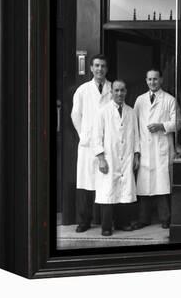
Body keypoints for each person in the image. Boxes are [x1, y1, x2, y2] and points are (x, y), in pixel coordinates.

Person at [92, 80, 140, 236]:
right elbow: (96, 137)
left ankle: (122, 223)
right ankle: (106, 226)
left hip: (126, 157)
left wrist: (136, 155)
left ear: (126, 92)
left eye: (122, 90)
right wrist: (101, 159)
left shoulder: (131, 112)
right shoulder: (102, 112)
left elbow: (136, 136)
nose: (119, 93)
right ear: (111, 92)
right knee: (108, 192)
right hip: (109, 157)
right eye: (116, 90)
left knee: (124, 191)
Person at [132, 68, 179, 229]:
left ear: (161, 80)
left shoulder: (169, 100)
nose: (153, 82)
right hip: (145, 147)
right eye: (150, 79)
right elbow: (135, 127)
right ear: (146, 81)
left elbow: (177, 123)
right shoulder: (139, 100)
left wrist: (162, 125)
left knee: (162, 185)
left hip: (162, 147)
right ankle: (143, 219)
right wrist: (136, 152)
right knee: (144, 186)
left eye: (155, 79)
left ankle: (165, 218)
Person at [70, 54, 112, 233]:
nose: (99, 69)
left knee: (106, 183)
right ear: (90, 68)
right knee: (86, 183)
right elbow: (75, 115)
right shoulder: (83, 90)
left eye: (103, 66)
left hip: (107, 143)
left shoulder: (112, 89)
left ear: (106, 69)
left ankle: (106, 223)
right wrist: (84, 135)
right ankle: (84, 221)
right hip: (87, 144)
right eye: (96, 66)